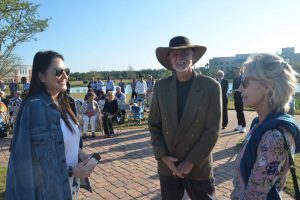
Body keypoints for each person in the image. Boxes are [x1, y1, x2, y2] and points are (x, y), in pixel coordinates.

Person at [6, 50, 96, 200]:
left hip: (71, 187)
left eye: (66, 71)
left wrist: (81, 154)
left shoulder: (67, 102)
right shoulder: (33, 108)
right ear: (41, 76)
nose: (65, 76)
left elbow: (66, 140)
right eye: (58, 71)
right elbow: (26, 163)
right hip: (49, 191)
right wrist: (72, 171)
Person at [149, 36, 221, 199]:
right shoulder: (161, 87)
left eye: (185, 54)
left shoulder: (210, 87)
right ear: (169, 58)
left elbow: (212, 130)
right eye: (175, 54)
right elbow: (154, 124)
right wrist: (163, 156)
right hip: (168, 165)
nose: (180, 58)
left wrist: (190, 162)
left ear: (193, 57)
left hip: (198, 164)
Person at [231, 53, 300, 200]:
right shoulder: (259, 123)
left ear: (268, 86)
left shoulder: (274, 136)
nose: (239, 88)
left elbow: (255, 196)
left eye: (245, 81)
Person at [232, 66, 246, 133]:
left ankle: (244, 126)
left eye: (237, 71)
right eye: (235, 71)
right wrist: (233, 91)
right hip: (236, 97)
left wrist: (236, 90)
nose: (236, 72)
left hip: (241, 97)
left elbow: (243, 88)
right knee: (237, 112)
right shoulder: (234, 79)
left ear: (240, 71)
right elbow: (234, 88)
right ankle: (239, 125)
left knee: (241, 111)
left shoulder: (243, 78)